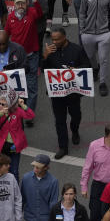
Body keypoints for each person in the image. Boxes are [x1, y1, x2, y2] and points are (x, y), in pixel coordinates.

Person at [42, 26, 92, 160]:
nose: (55, 42)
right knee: (59, 120)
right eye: (53, 39)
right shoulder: (50, 51)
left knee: (76, 115)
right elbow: (43, 70)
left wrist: (76, 69)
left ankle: (74, 130)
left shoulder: (77, 50)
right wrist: (45, 56)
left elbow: (87, 66)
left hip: (73, 92)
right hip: (57, 93)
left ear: (64, 37)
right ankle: (63, 146)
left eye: (57, 39)